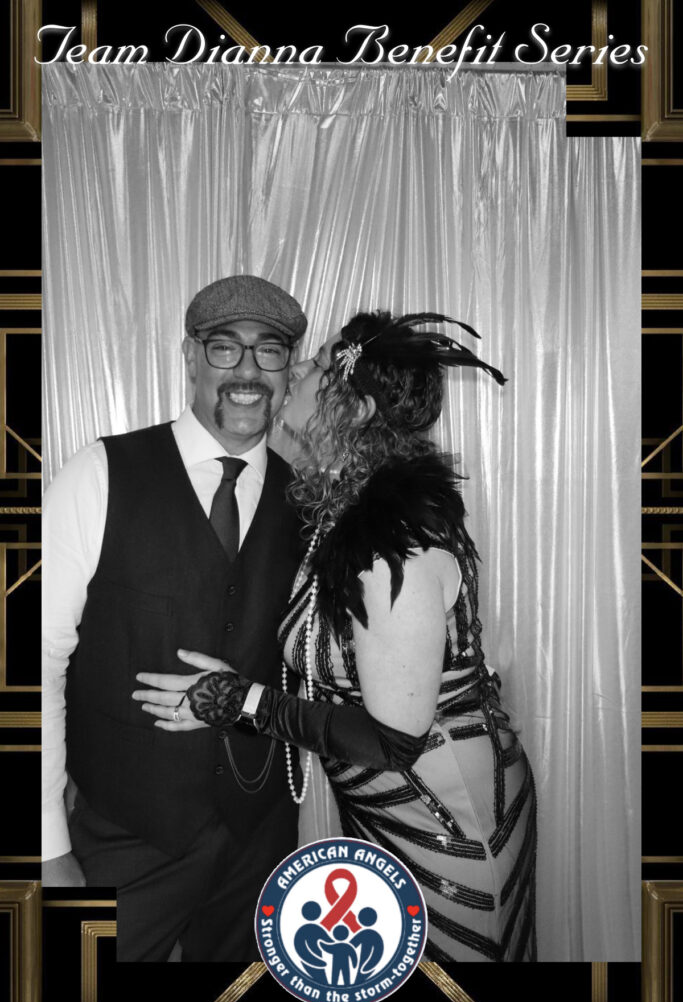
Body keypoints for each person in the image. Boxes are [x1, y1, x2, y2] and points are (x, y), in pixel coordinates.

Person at [134, 310, 537, 962]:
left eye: (316, 366)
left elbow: (393, 739)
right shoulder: (345, 510)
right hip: (388, 806)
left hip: (448, 812)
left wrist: (238, 701)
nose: (294, 373)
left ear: (354, 407)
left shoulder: (390, 543)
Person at [42, 275, 306, 961]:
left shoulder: (308, 501)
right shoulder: (99, 473)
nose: (247, 370)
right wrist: (46, 848)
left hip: (260, 838)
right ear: (190, 357)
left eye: (269, 350)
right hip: (122, 837)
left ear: (290, 371)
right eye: (224, 347)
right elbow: (33, 660)